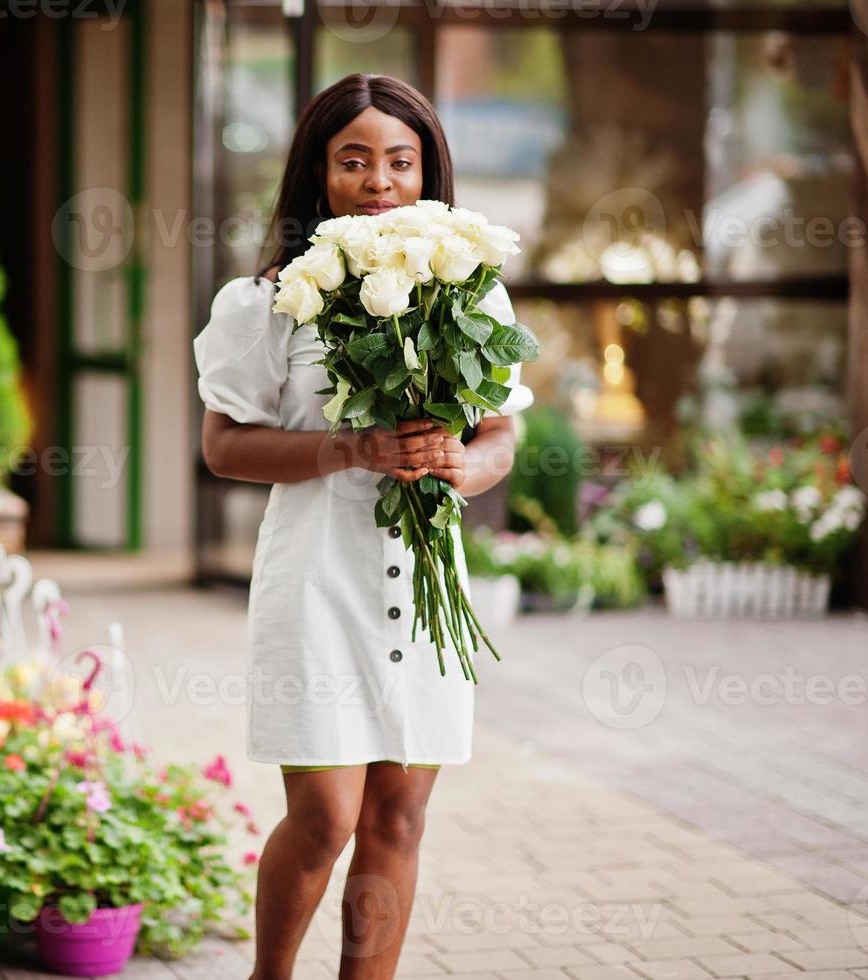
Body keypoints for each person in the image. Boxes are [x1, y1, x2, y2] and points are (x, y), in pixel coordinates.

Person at [192, 73, 534, 980]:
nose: (378, 181)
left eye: (398, 160)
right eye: (354, 161)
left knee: (398, 817)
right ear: (318, 174)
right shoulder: (267, 301)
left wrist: (465, 465)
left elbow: (499, 433)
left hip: (424, 582)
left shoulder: (471, 291)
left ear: (426, 172)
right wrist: (348, 450)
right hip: (318, 580)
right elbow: (223, 446)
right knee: (326, 818)